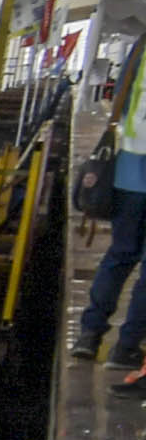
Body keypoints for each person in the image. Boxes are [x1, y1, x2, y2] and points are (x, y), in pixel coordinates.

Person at [83, 38, 146, 370]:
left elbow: (121, 105)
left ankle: (89, 335)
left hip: (130, 172)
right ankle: (126, 347)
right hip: (133, 172)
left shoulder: (141, 47)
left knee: (120, 254)